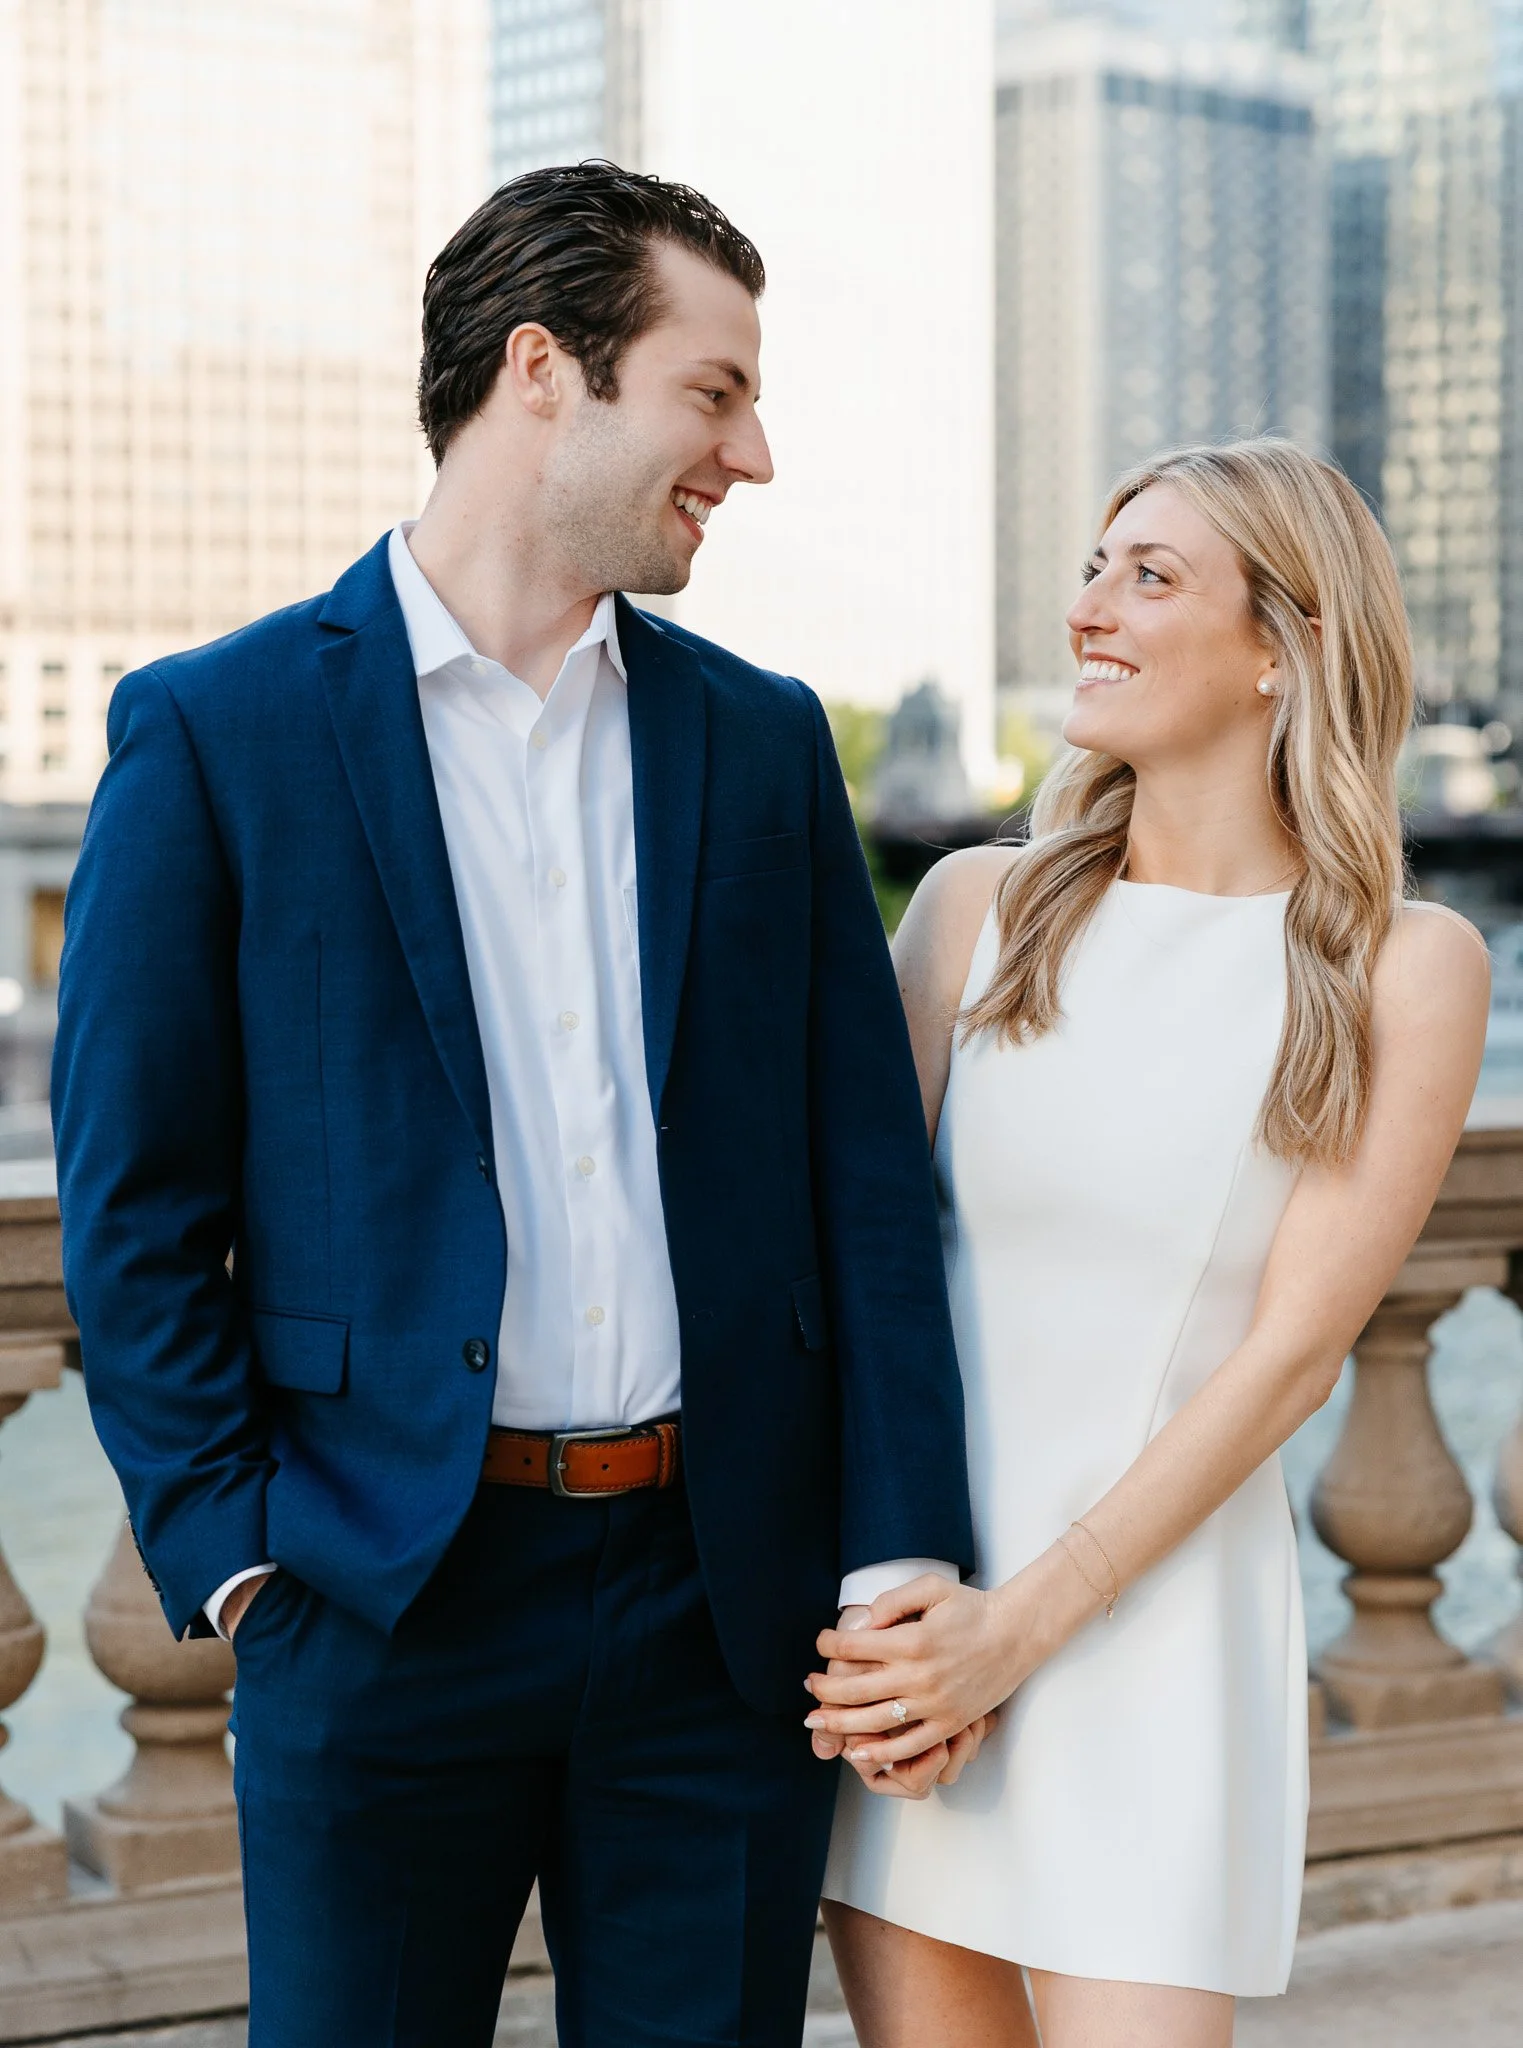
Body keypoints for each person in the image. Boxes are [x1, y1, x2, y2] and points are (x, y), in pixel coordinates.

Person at [50, 162, 978, 2048]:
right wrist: (242, 1566)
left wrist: (891, 1560)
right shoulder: (215, 735)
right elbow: (134, 1208)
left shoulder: (763, 740)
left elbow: (860, 1188)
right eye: (711, 394)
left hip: (725, 1623)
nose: (755, 453)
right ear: (544, 370)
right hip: (377, 1605)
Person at [806, 439, 1491, 2048]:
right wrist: (917, 1630)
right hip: (919, 1634)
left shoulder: (1406, 963)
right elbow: (859, 1289)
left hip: (1153, 1641)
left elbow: (1289, 1360)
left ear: (1281, 644)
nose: (1087, 611)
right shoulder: (973, 911)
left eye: (1150, 575)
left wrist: (1019, 1633)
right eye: (1096, 568)